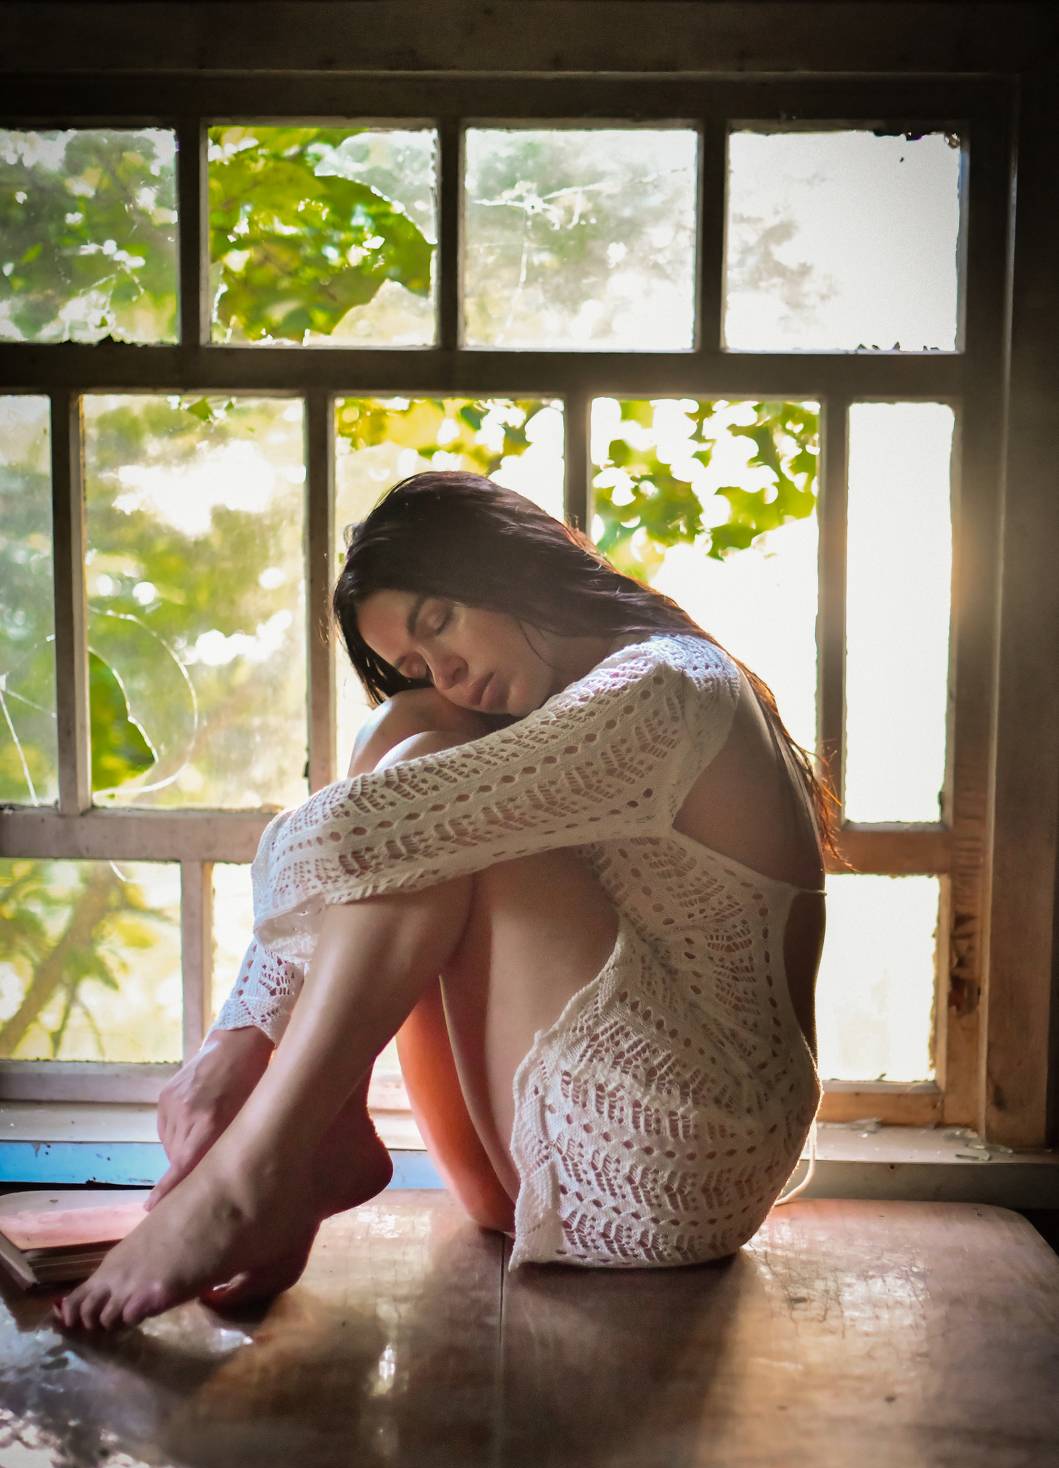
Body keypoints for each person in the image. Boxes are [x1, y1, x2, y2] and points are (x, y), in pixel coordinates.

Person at [55, 471, 831, 1332]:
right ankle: (324, 1134)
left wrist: (236, 1043)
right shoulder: (544, 702)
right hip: (522, 1176)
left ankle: (257, 1171)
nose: (447, 672)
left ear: (510, 565)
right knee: (400, 731)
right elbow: (370, 826)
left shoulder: (666, 685)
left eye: (439, 622)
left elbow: (352, 836)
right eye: (417, 663)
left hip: (691, 1152)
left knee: (419, 790)